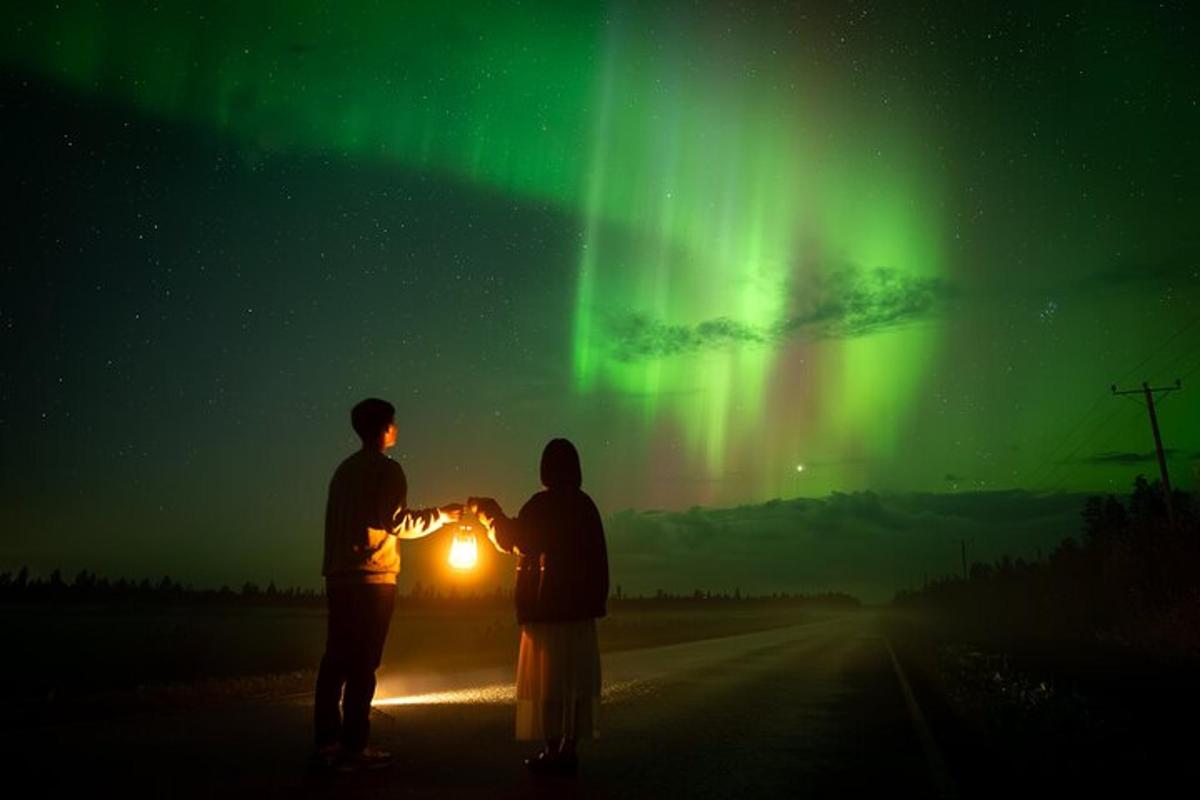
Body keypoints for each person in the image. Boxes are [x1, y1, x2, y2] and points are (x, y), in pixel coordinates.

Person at [313, 397, 460, 771]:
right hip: (373, 578)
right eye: (394, 422)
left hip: (339, 576)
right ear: (384, 428)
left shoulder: (343, 471)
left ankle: (326, 741)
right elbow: (397, 522)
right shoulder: (388, 471)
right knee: (364, 663)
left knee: (335, 659)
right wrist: (441, 516)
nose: (397, 428)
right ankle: (354, 746)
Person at [471, 438, 609, 775]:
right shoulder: (585, 505)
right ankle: (569, 749)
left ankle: (551, 750)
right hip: (578, 610)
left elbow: (515, 539)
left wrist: (489, 514)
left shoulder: (542, 505)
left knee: (548, 682)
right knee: (575, 680)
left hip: (546, 609)